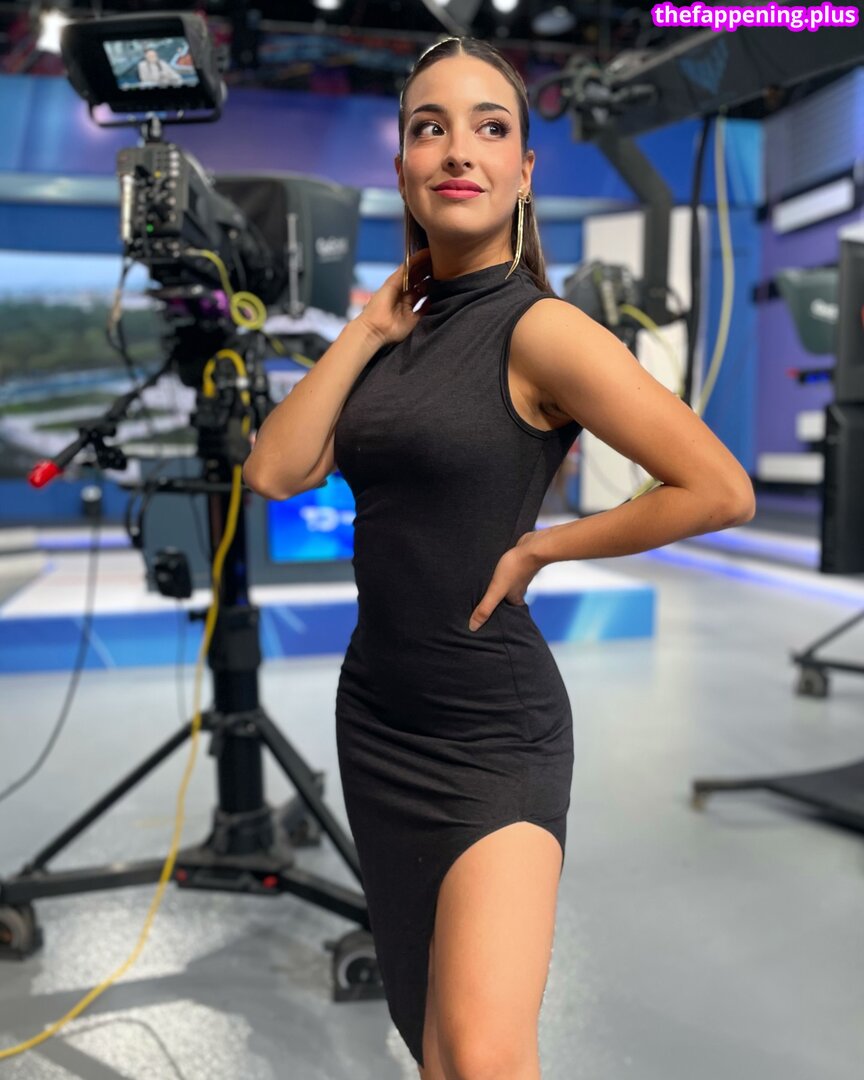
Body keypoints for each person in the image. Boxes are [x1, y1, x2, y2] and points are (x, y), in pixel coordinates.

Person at [243, 36, 755, 1080]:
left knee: (481, 1057)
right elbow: (274, 471)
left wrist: (545, 547)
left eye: (489, 127)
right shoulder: (397, 337)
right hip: (379, 713)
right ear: (403, 167)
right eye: (429, 128)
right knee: (431, 1043)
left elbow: (719, 487)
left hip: (491, 730)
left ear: (524, 170)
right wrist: (365, 330)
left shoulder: (542, 331)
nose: (456, 150)